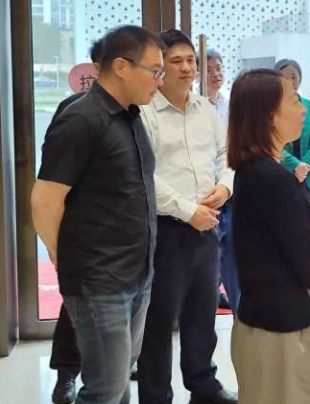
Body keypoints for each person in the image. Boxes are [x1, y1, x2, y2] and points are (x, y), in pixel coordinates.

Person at [32, 25, 165, 404]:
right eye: (155, 71)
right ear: (121, 67)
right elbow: (45, 200)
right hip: (99, 280)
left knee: (118, 380)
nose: (160, 81)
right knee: (104, 389)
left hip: (137, 272)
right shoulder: (81, 118)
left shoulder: (130, 115)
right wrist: (65, 258)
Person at [136, 29, 238, 404]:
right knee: (158, 321)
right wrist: (187, 209)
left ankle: (203, 384)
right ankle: (155, 395)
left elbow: (228, 155)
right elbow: (144, 174)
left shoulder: (206, 110)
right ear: (160, 67)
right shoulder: (145, 112)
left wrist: (225, 187)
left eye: (190, 60)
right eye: (175, 61)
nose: (186, 68)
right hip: (165, 230)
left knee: (202, 312)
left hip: (207, 226)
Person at [227, 68, 310, 404]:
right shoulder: (272, 179)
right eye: (293, 101)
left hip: (264, 315)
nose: (302, 109)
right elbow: (302, 253)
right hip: (282, 326)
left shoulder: (253, 170)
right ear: (269, 115)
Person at [48, 40, 101, 404]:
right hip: (83, 224)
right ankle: (66, 372)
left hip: (127, 227)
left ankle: (124, 361)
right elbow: (53, 176)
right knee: (76, 303)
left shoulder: (136, 110)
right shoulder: (73, 110)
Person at [206, 50, 238, 312]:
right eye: (209, 69)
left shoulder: (227, 104)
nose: (216, 74)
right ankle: (211, 290)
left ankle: (219, 289)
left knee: (228, 240)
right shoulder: (196, 105)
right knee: (212, 242)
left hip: (228, 180)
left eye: (219, 68)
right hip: (206, 183)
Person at [274, 59, 310, 201]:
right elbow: (271, 142)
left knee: (307, 213)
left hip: (307, 176)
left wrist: (303, 167)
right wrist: (295, 165)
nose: (290, 82)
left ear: (300, 79)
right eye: (284, 79)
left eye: (294, 77)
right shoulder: (270, 108)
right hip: (281, 172)